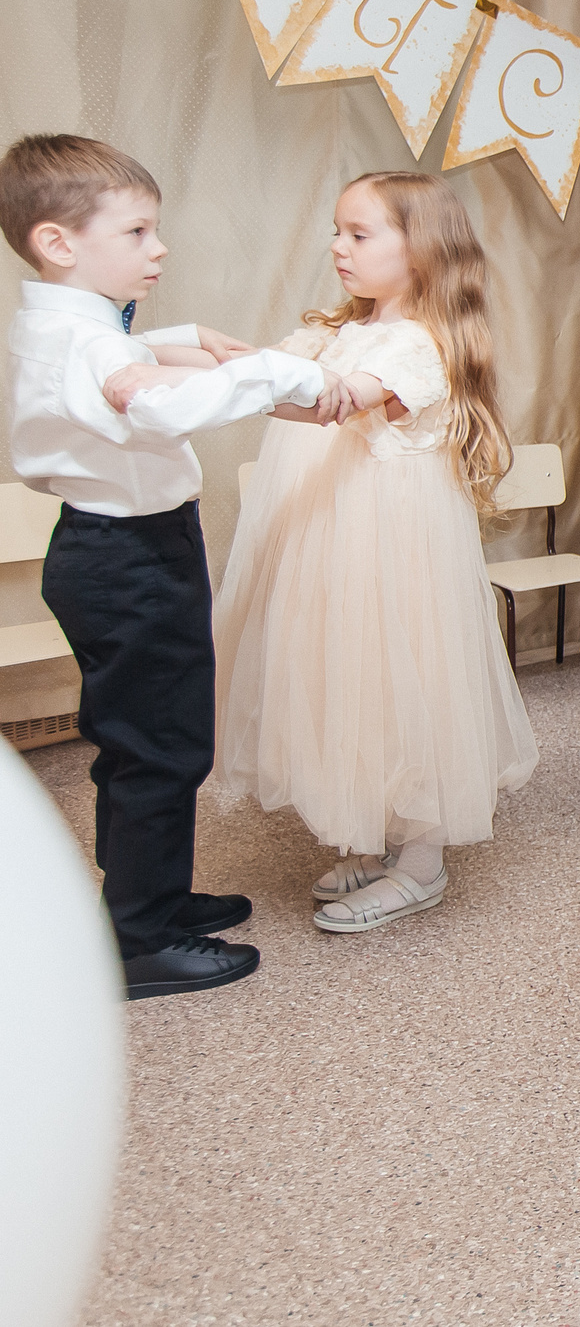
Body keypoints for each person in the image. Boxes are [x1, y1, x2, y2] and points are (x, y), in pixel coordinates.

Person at [3, 134, 341, 996]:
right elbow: (159, 405)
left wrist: (184, 335)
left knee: (149, 740)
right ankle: (140, 942)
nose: (159, 250)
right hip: (128, 560)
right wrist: (271, 370)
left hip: (122, 550)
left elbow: (131, 359)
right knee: (159, 747)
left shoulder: (70, 324)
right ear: (58, 243)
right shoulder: (93, 350)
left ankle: (145, 899)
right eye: (139, 233)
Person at [212, 171, 538, 934]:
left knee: (403, 680)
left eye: (360, 235)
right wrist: (169, 362)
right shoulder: (338, 329)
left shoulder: (421, 342)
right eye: (338, 231)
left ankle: (422, 861)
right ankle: (377, 832)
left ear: (421, 250)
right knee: (344, 678)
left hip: (392, 546)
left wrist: (224, 383)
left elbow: (330, 400)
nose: (338, 247)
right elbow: (273, 369)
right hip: (326, 538)